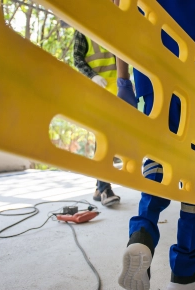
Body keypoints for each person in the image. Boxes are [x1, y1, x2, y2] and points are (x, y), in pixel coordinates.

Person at [113, 0, 195, 290]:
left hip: (147, 54)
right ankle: (186, 268)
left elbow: (120, 8)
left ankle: (142, 232)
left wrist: (123, 78)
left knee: (161, 154)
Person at [73, 30, 122, 206]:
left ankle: (99, 188)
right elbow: (77, 59)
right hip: (95, 93)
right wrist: (93, 76)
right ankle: (105, 190)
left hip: (116, 92)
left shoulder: (114, 25)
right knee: (104, 139)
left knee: (110, 140)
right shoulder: (82, 28)